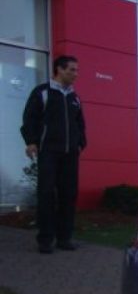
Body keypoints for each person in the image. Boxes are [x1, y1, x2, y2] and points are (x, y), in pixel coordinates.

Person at [20, 55, 87, 254]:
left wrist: (80, 143)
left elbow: (80, 124)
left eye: (77, 70)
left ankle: (64, 238)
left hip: (69, 154)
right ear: (59, 69)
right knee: (47, 195)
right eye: (72, 70)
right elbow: (29, 118)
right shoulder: (42, 92)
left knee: (68, 195)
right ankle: (45, 240)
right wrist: (31, 141)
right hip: (48, 152)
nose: (76, 74)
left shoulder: (74, 97)